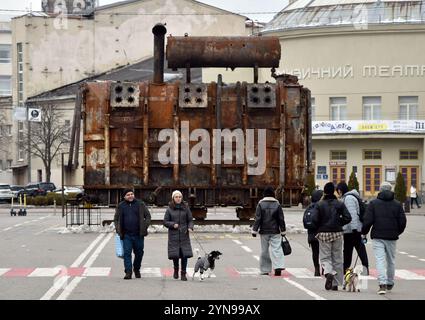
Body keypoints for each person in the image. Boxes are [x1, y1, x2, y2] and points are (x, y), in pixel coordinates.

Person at [362, 182, 407, 295]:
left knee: (380, 260)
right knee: (391, 260)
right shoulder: (397, 204)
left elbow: (368, 220)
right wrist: (397, 232)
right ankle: (390, 282)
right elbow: (403, 221)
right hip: (392, 237)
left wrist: (364, 233)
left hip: (378, 236)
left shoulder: (373, 203)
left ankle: (382, 284)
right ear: (391, 190)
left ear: (380, 190)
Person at [316, 182, 351, 291]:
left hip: (324, 233)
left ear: (324, 192)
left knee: (325, 257)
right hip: (337, 233)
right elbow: (348, 217)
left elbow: (314, 220)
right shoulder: (339, 203)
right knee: (337, 258)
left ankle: (328, 272)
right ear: (334, 191)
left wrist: (319, 226)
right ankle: (335, 284)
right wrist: (339, 223)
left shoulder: (320, 204)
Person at [114, 188, 152, 280]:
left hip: (138, 234)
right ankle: (128, 272)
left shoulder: (140, 204)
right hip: (126, 235)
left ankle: (136, 269)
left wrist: (144, 226)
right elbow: (116, 219)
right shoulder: (121, 206)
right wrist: (118, 229)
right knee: (127, 253)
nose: (130, 196)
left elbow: (148, 216)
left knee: (139, 253)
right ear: (124, 197)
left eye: (131, 194)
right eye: (128, 195)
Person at [336, 182, 369, 276]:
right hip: (352, 229)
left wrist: (354, 229)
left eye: (338, 191)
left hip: (351, 230)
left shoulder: (348, 199)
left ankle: (346, 269)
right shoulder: (350, 197)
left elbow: (352, 215)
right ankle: (348, 269)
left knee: (350, 251)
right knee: (357, 250)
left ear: (340, 190)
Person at [252, 186, 286, 276]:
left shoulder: (260, 204)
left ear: (264, 194)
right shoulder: (277, 204)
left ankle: (265, 270)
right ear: (273, 194)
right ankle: (278, 266)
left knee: (264, 251)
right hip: (275, 231)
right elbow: (281, 219)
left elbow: (258, 218)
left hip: (264, 231)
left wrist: (254, 230)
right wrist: (283, 231)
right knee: (277, 249)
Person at [163, 190, 194, 281]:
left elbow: (190, 220)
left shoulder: (186, 208)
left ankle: (183, 273)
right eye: (176, 197)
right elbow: (165, 222)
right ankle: (176, 270)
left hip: (184, 235)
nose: (178, 198)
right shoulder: (169, 209)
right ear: (173, 198)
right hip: (174, 236)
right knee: (175, 255)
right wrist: (173, 224)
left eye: (180, 197)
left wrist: (190, 227)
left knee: (185, 255)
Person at [302, 189, 323, 276]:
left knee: (315, 252)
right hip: (321, 234)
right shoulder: (321, 206)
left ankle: (316, 269)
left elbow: (304, 221)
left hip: (311, 235)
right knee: (324, 253)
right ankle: (325, 269)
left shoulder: (309, 208)